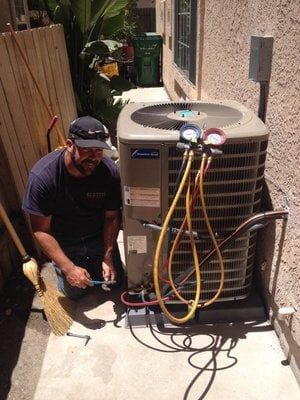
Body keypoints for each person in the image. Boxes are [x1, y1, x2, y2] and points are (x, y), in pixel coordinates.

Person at [22, 116, 123, 299]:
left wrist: (108, 255)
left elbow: (112, 217)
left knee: (115, 283)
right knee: (76, 292)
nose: (94, 157)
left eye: (99, 150)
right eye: (86, 149)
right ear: (69, 144)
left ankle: (97, 260)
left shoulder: (109, 173)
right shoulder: (43, 177)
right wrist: (68, 268)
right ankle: (61, 266)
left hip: (97, 236)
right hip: (65, 240)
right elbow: (40, 230)